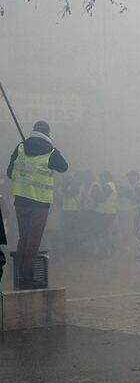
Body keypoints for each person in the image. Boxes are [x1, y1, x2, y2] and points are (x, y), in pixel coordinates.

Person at [6, 121, 68, 289]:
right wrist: (53, 147)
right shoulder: (51, 152)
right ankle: (27, 277)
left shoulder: (20, 148)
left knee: (23, 238)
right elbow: (64, 167)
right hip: (39, 203)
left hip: (21, 201)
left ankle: (19, 274)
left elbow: (9, 173)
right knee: (33, 241)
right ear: (48, 133)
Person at [91, 171, 118, 258]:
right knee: (106, 232)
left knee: (103, 233)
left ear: (107, 177)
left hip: (105, 213)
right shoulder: (112, 185)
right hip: (108, 212)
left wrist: (94, 195)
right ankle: (107, 251)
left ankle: (106, 251)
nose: (101, 180)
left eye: (102, 178)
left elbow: (101, 198)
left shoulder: (108, 186)